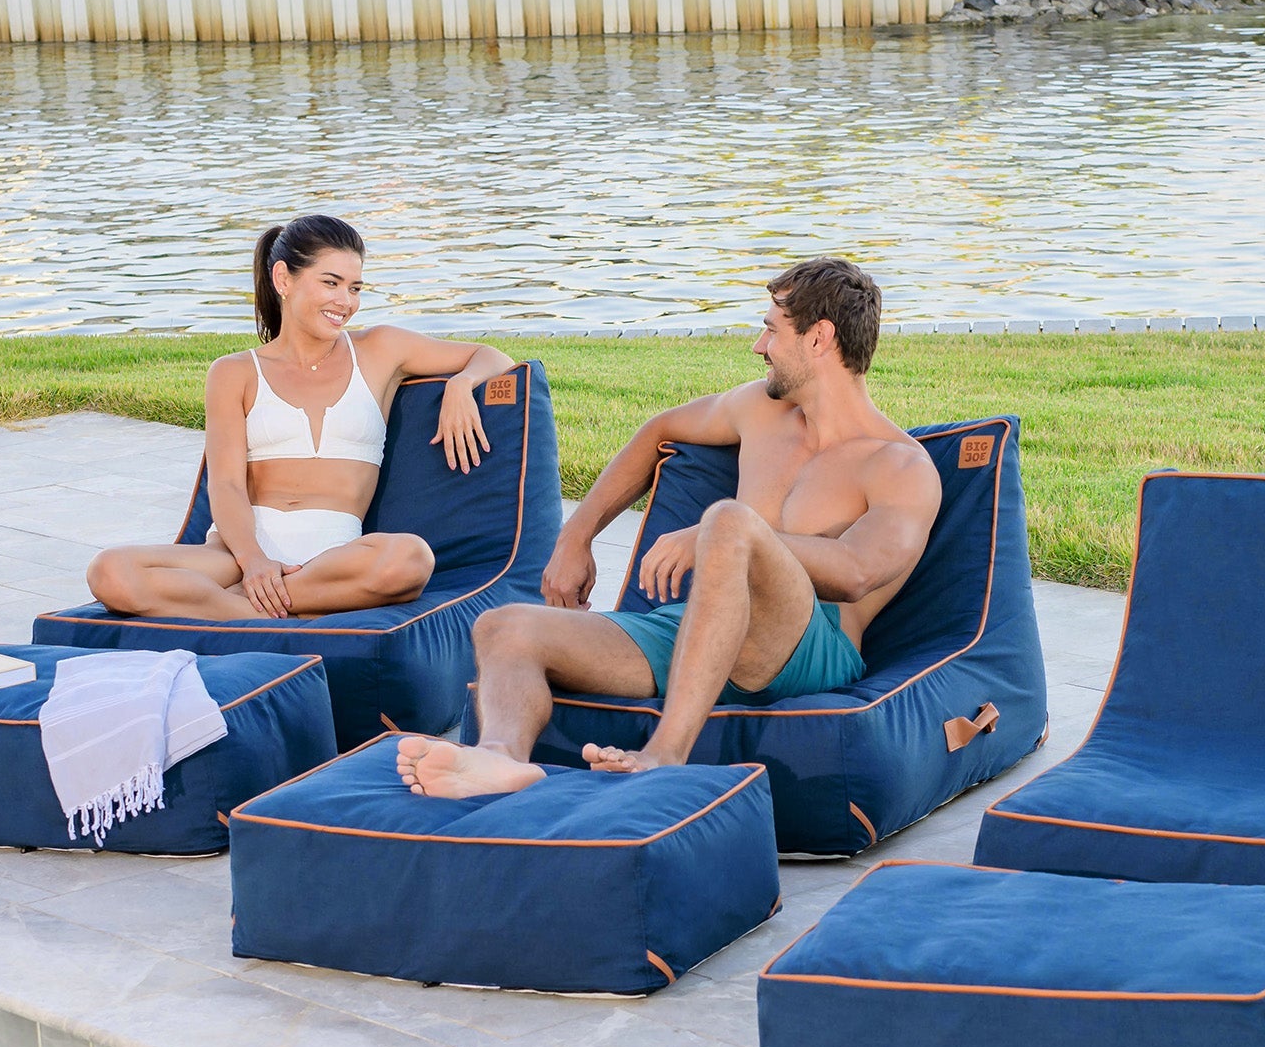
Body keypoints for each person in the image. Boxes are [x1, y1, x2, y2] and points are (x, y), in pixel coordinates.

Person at [397, 256, 940, 797]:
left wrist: (718, 535)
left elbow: (857, 572)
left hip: (809, 647)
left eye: (771, 330)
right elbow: (658, 431)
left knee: (729, 518)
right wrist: (576, 537)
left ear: (820, 339)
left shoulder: (900, 466)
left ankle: (664, 754)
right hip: (699, 627)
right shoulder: (759, 409)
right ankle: (498, 758)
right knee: (504, 627)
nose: (758, 346)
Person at [87, 215, 517, 622]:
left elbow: (492, 356)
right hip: (234, 556)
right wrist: (253, 561)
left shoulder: (380, 350)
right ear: (283, 280)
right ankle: (289, 611)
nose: (345, 302)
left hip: (331, 557)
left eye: (354, 288)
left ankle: (241, 610)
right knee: (110, 571)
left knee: (411, 559)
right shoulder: (233, 372)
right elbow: (227, 484)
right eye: (331, 283)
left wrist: (462, 386)